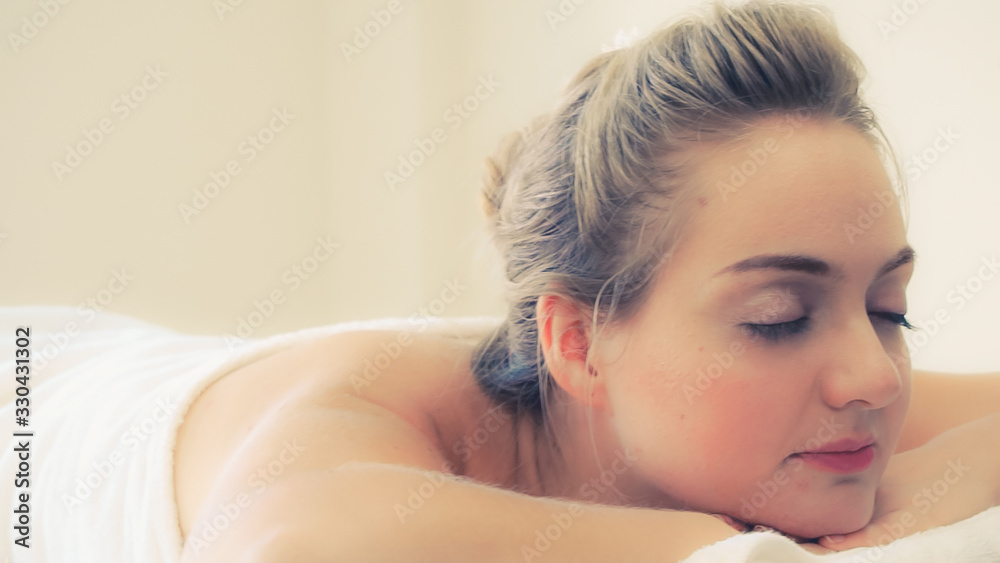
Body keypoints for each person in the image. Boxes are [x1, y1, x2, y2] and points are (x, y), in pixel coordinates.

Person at [175, 1, 1000, 561]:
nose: (875, 373)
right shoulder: (378, 414)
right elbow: (272, 543)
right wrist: (735, 541)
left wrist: (953, 471)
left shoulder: (820, 399)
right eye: (780, 317)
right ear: (578, 341)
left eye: (888, 309)